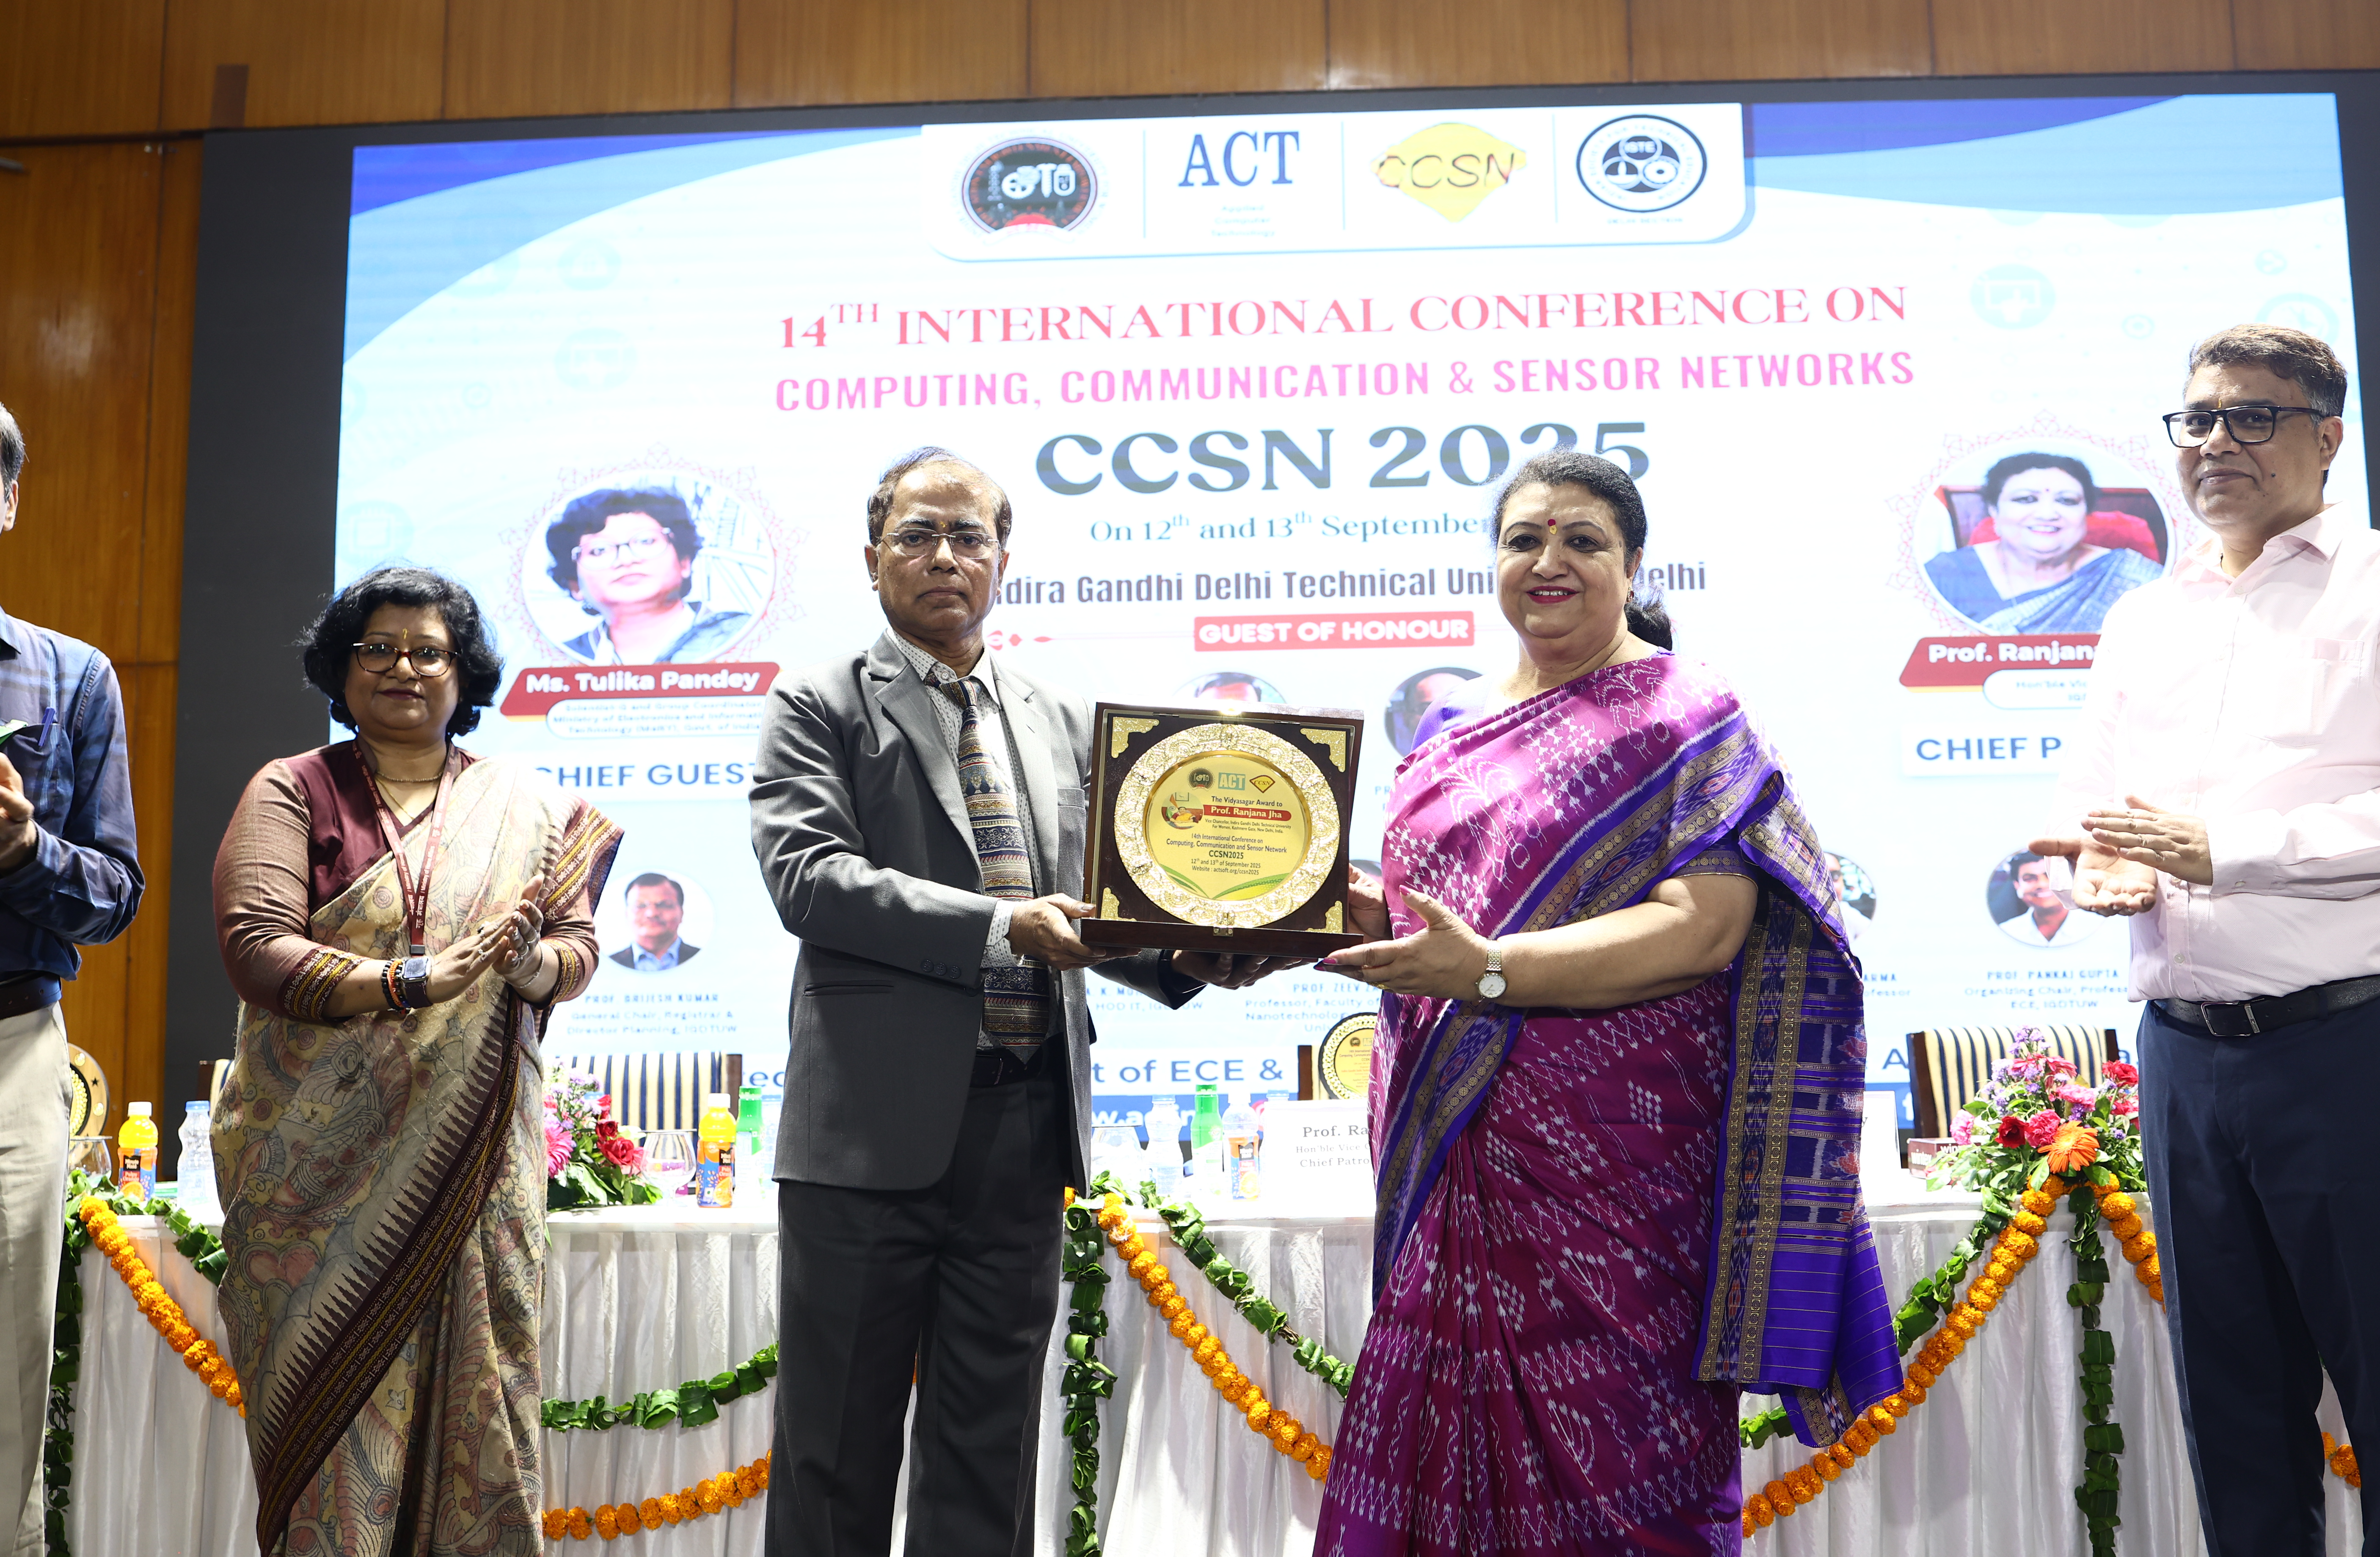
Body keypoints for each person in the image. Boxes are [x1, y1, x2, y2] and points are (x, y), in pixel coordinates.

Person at [1314, 450, 1900, 1556]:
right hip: (1458, 1162)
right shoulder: (1449, 735)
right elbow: (1433, 923)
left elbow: (1704, 929)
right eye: (1524, 539)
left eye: (1582, 540)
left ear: (1630, 565)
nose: (1550, 562)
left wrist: (1490, 970)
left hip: (1618, 1178)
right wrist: (1314, 908)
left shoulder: (1689, 716)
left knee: (1628, 1473)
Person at [2030, 325, 2380, 1555]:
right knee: (2233, 1417)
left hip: (2356, 1049)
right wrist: (2096, 867)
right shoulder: (2143, 616)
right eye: (2192, 419)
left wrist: (2227, 852)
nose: (2211, 443)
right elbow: (2090, 810)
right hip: (2184, 1059)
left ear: (2324, 436)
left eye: (2248, 417)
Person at [751, 447, 1289, 1557]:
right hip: (867, 1142)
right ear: (871, 559)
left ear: (1004, 559)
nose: (945, 558)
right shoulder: (821, 702)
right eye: (917, 536)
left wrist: (1196, 957)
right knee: (835, 1458)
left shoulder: (1057, 715)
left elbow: (1101, 904)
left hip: (1023, 1125)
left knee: (987, 1453)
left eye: (970, 538)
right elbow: (811, 880)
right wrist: (999, 927)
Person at [209, 567, 621, 1556]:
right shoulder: (293, 787)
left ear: (462, 671)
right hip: (315, 1186)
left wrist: (528, 963)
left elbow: (576, 951)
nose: (402, 666)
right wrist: (408, 979)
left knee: (484, 1409)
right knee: (326, 1429)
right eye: (377, 648)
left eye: (427, 650)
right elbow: (259, 948)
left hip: (477, 1177)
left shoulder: (530, 806)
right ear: (341, 669)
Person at [0, 403, 143, 1557]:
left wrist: (22, 847)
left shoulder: (73, 676)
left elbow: (115, 892)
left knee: (6, 1351)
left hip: (11, 1046)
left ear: (5, 505)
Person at [1923, 452, 2162, 634]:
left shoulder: (2132, 577)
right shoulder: (1947, 574)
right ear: (1994, 510)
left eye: (2067, 501)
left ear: (2086, 513)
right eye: (2026, 499)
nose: (2047, 514)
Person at [543, 485, 751, 664]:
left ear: (684, 562)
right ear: (575, 585)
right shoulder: (560, 659)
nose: (626, 560)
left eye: (646, 541)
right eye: (599, 550)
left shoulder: (743, 634)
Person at [1994, 848, 2087, 947]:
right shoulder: (2006, 931)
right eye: (2029, 879)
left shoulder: (2095, 925)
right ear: (2017, 885)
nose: (2042, 884)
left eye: (2051, 876)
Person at [608, 871, 700, 969]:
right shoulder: (605, 966)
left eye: (664, 905)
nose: (652, 914)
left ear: (681, 913)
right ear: (627, 915)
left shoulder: (706, 959)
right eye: (640, 906)